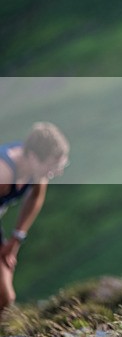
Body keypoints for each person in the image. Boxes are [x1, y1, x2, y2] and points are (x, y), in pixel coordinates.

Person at [0, 123, 70, 316]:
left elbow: (35, 198)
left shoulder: (36, 171)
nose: (56, 172)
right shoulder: (4, 174)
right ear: (31, 155)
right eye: (52, 166)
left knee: (5, 297)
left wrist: (16, 238)